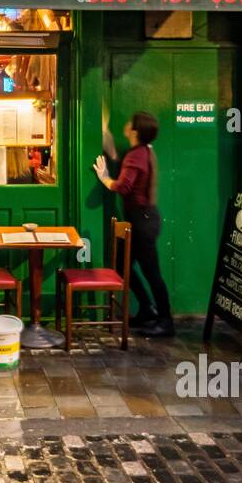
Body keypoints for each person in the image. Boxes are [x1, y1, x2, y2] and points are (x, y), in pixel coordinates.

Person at [93, 112, 174, 336]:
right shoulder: (142, 152)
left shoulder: (136, 155)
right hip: (144, 218)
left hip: (142, 221)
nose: (127, 124)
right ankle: (147, 308)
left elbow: (123, 187)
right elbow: (121, 161)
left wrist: (104, 178)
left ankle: (166, 321)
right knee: (122, 266)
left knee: (152, 272)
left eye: (130, 123)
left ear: (135, 132)